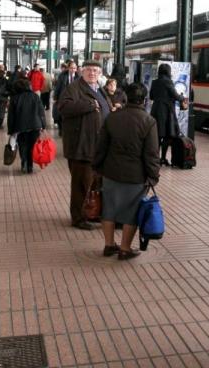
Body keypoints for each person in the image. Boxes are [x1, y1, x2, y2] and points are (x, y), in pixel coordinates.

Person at [93, 82, 160, 260]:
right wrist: (153, 175)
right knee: (131, 212)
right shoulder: (149, 121)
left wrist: (97, 167)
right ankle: (124, 248)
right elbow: (152, 153)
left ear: (126, 98)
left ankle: (108, 245)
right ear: (144, 100)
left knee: (109, 208)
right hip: (135, 175)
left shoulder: (112, 118)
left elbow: (101, 146)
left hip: (111, 170)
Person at [57, 59, 110, 230]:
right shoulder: (74, 88)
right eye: (88, 70)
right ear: (81, 71)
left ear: (100, 73)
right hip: (81, 146)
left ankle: (91, 213)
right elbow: (62, 107)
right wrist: (88, 105)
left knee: (94, 183)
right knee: (81, 184)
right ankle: (78, 218)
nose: (92, 73)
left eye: (95, 70)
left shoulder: (99, 89)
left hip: (97, 146)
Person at [149, 63, 187, 165]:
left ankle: (155, 158)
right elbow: (175, 95)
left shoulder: (154, 82)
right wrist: (182, 98)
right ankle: (163, 158)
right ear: (168, 72)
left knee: (156, 135)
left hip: (156, 110)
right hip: (166, 111)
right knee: (166, 135)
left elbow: (151, 96)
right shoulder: (168, 82)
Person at [7, 77, 46, 173]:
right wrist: (43, 125)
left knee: (22, 145)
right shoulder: (35, 96)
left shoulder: (14, 98)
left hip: (20, 126)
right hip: (35, 126)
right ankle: (30, 166)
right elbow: (41, 112)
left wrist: (11, 130)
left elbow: (11, 116)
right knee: (32, 146)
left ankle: (23, 163)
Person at [53, 60, 77, 128]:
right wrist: (55, 97)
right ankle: (61, 128)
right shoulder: (62, 76)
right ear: (68, 68)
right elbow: (58, 87)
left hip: (74, 98)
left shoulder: (79, 77)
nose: (73, 70)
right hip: (63, 97)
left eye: (74, 68)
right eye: (71, 68)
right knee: (62, 113)